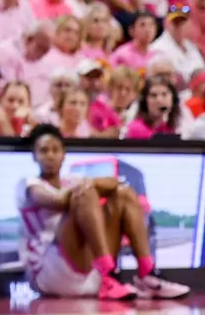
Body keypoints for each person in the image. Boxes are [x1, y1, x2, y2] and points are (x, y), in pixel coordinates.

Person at [18, 124, 189, 300]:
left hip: (85, 270)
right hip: (48, 274)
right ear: (35, 156)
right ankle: (108, 272)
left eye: (55, 150)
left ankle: (147, 273)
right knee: (85, 193)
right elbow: (57, 201)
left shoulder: (72, 180)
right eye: (44, 151)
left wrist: (92, 183)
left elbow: (115, 183)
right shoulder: (29, 183)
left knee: (123, 193)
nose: (50, 156)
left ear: (64, 154)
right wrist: (86, 186)